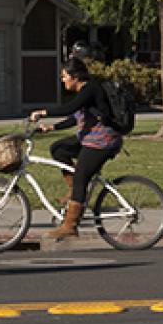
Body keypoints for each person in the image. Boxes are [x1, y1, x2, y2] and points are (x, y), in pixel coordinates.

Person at [28, 60, 125, 241]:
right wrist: (52, 128)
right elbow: (75, 117)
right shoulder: (85, 92)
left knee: (81, 176)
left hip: (102, 142)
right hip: (89, 139)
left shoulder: (90, 89)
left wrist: (43, 112)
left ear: (75, 77)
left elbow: (69, 108)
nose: (63, 80)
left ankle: (70, 226)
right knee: (58, 149)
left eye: (64, 77)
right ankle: (75, 192)